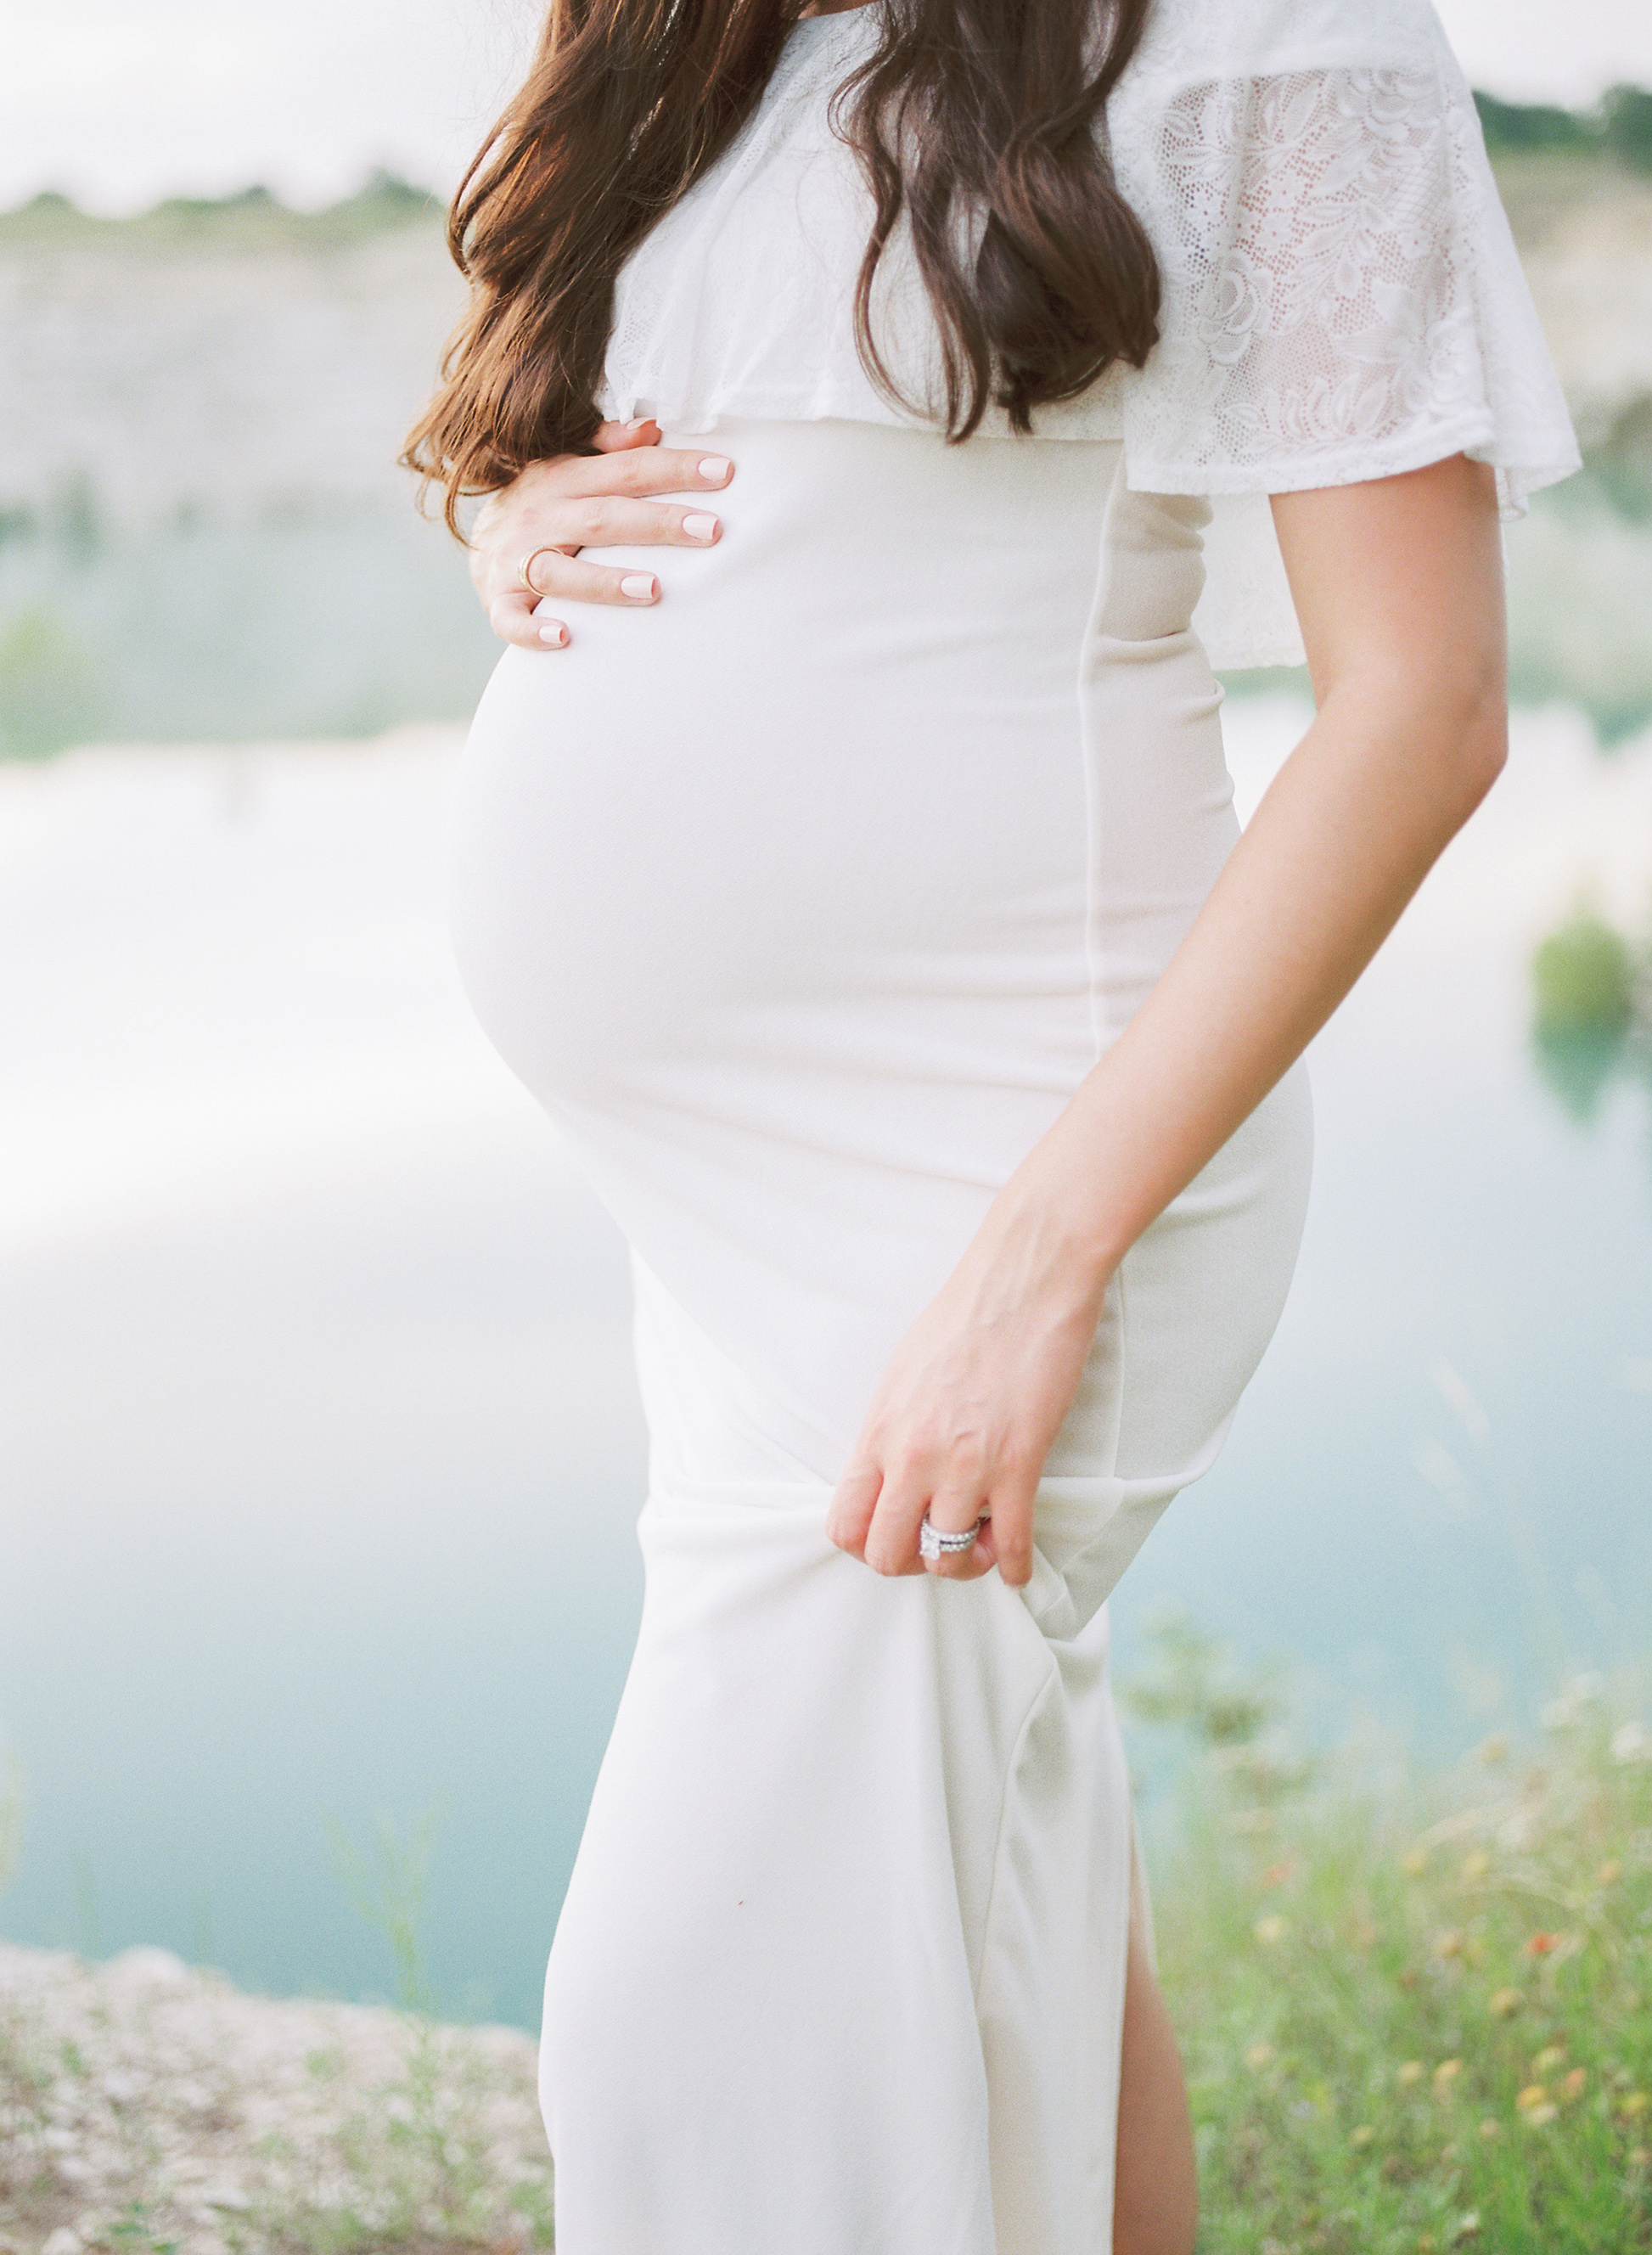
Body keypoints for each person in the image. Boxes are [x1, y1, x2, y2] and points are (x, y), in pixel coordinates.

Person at [404, 0, 1578, 2247]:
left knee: (699, 2031)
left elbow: (1422, 709)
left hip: (1000, 1156)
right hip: (735, 1207)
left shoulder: (1274, 28)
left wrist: (1031, 1271)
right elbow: (696, 453)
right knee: (998, 1882)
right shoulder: (702, 23)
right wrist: (518, 527)